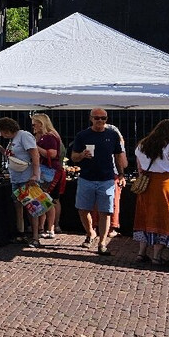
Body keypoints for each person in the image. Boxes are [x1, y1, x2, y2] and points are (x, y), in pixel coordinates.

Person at [70, 108, 127, 256]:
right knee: (82, 210)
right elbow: (74, 156)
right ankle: (90, 232)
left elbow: (118, 156)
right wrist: (82, 155)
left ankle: (102, 243)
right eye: (97, 118)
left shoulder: (112, 135)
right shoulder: (82, 135)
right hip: (86, 178)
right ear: (91, 118)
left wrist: (121, 174)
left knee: (105, 212)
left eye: (103, 118)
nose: (100, 121)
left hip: (107, 178)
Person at [132, 119, 169, 264]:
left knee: (146, 217)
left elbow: (139, 167)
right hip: (166, 185)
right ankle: (157, 256)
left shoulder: (142, 144)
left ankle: (141, 252)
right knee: (164, 218)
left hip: (147, 185)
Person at [0, 117, 43, 247]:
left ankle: (35, 237)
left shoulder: (24, 136)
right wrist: (2, 151)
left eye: (0, 131)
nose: (0, 134)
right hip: (17, 178)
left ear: (6, 130)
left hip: (27, 178)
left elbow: (35, 154)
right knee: (19, 206)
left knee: (32, 208)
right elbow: (15, 157)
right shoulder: (13, 139)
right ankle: (21, 234)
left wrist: (35, 174)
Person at [30, 113, 66, 238]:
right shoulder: (44, 136)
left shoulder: (49, 137)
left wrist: (35, 147)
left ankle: (50, 227)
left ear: (41, 123)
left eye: (35, 123)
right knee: (45, 200)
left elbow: (52, 153)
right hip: (46, 170)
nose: (33, 126)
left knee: (47, 200)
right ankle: (44, 227)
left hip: (49, 171)